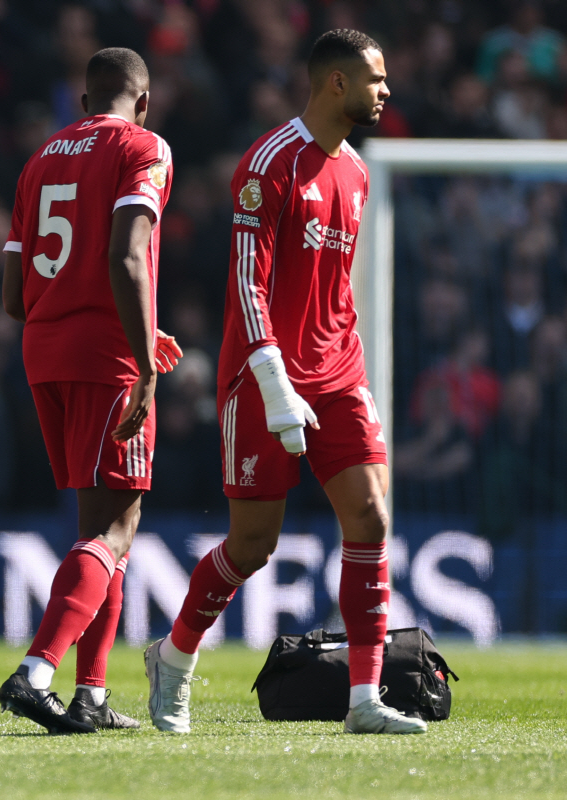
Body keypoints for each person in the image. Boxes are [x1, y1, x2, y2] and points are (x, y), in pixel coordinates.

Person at [144, 29, 427, 736]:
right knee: (252, 546)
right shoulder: (269, 163)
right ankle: (173, 659)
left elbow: (333, 289)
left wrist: (333, 373)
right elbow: (247, 282)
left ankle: (364, 700)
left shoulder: (357, 173)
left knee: (370, 517)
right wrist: (273, 381)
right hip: (262, 376)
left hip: (338, 371)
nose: (385, 91)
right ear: (336, 82)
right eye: (375, 79)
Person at [0, 47, 182, 734]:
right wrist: (144, 357)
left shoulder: (38, 161)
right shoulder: (145, 146)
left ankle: (92, 694)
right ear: (145, 99)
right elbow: (127, 255)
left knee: (97, 540)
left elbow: (13, 298)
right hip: (108, 357)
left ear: (82, 103)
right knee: (117, 526)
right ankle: (36, 671)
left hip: (43, 354)